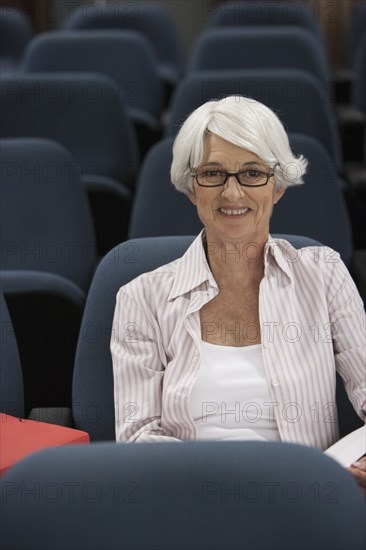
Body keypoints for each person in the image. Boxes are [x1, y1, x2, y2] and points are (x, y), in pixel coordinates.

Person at [111, 95, 365, 492]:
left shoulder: (324, 274)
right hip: (193, 499)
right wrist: (250, 478)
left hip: (309, 502)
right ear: (191, 188)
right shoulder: (140, 299)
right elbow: (138, 437)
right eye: (213, 173)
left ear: (277, 187)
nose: (232, 193)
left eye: (252, 173)